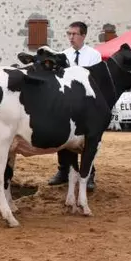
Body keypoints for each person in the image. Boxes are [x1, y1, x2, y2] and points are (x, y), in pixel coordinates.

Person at [47, 21, 103, 191]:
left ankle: (89, 174)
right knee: (63, 138)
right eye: (69, 34)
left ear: (83, 35)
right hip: (67, 105)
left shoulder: (94, 56)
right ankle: (63, 171)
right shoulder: (63, 55)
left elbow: (96, 80)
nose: (71, 37)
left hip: (86, 106)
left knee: (88, 141)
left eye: (74, 34)